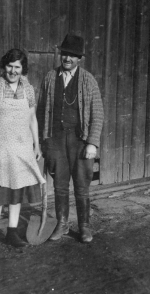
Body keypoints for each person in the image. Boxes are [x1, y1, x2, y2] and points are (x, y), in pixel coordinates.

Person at [37, 34, 104, 243]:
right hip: (55, 140)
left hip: (80, 140)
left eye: (73, 56)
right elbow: (41, 111)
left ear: (80, 58)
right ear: (60, 55)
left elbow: (98, 113)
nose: (67, 58)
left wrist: (92, 142)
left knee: (82, 186)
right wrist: (43, 140)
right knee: (59, 185)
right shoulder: (49, 77)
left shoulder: (88, 80)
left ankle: (84, 226)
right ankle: (62, 224)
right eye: (65, 54)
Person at [0, 48, 45, 252]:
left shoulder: (28, 89)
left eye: (17, 67)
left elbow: (32, 118)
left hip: (22, 147)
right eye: (9, 66)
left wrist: (37, 145)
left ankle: (12, 232)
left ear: (23, 69)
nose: (13, 71)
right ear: (3, 66)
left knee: (16, 192)